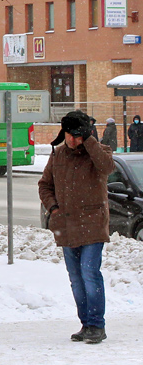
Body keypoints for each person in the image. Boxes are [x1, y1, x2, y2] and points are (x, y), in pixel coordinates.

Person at [39, 110, 114, 344]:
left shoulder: (98, 153)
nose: (73, 140)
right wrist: (53, 209)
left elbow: (107, 167)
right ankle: (86, 324)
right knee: (76, 278)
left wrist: (89, 139)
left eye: (77, 135)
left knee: (90, 274)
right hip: (66, 226)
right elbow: (44, 186)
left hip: (92, 225)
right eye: (69, 135)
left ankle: (97, 325)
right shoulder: (58, 155)